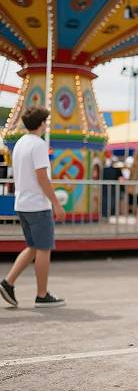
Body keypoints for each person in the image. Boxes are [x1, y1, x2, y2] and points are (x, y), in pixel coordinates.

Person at [0, 106, 66, 308]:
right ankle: (42, 294)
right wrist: (56, 204)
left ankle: (8, 283)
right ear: (41, 123)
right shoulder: (38, 144)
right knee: (44, 248)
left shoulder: (20, 143)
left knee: (33, 247)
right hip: (38, 204)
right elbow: (42, 177)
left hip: (22, 202)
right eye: (46, 121)